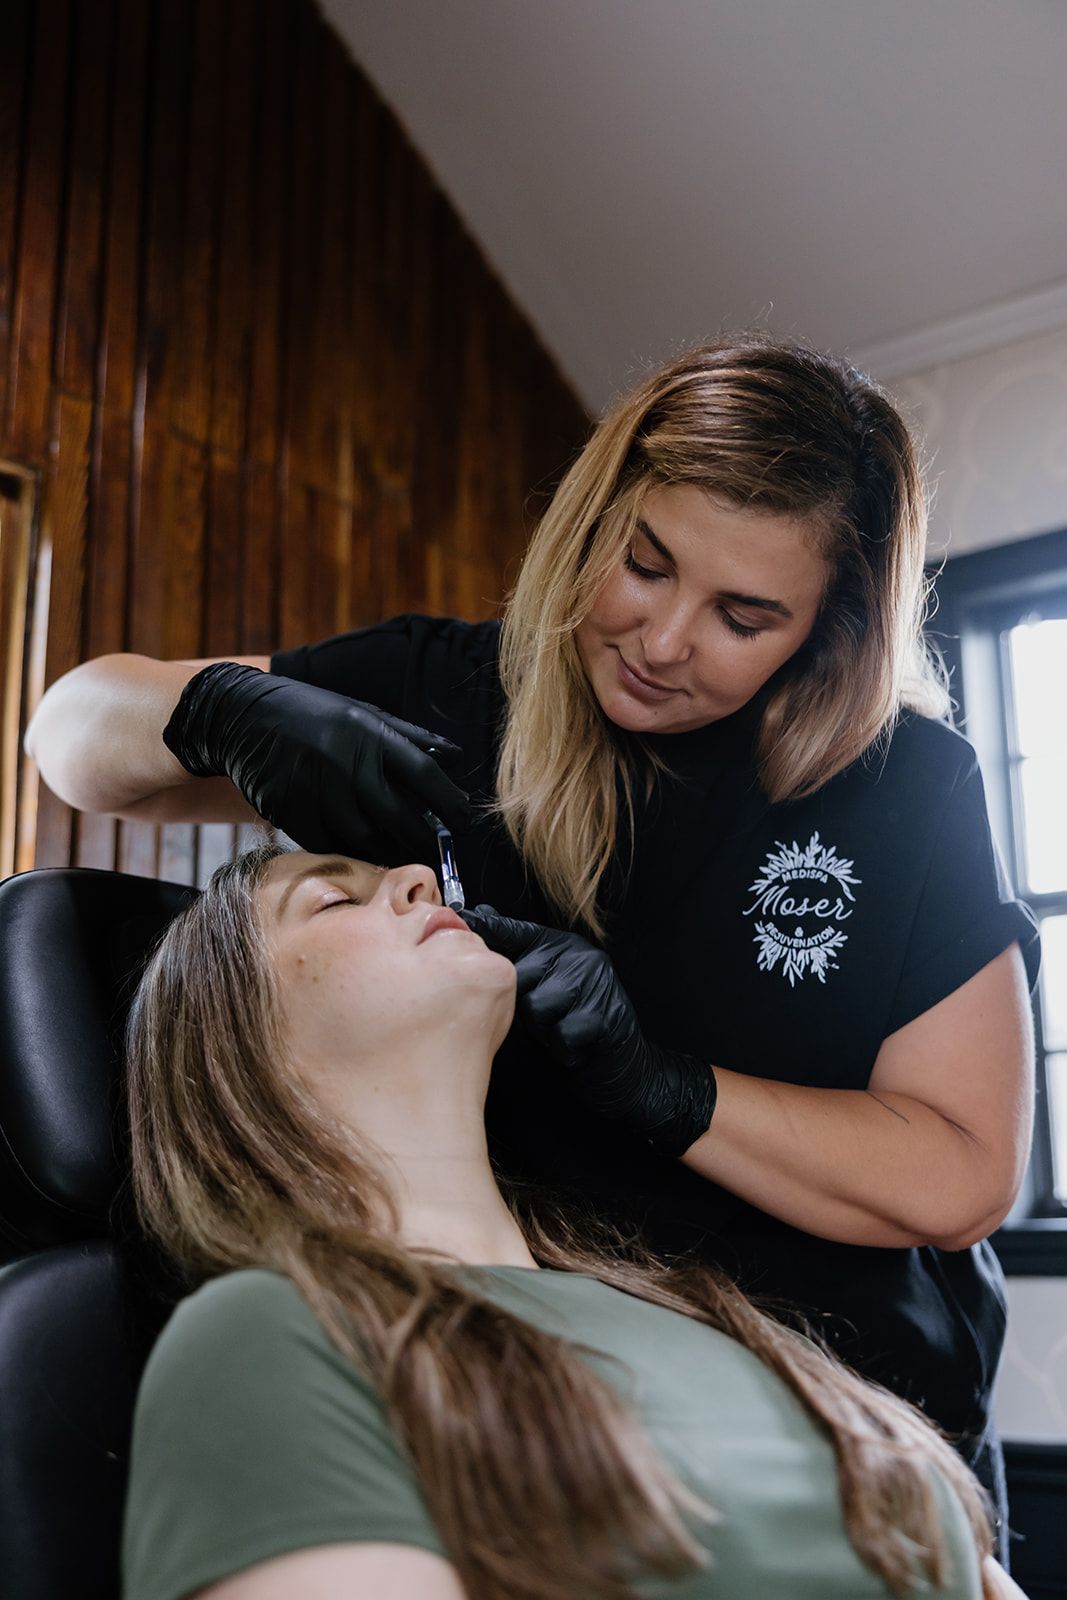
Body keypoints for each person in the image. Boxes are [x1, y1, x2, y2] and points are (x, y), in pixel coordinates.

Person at [27, 332, 1039, 1549]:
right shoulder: (460, 694)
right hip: (582, 1441)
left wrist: (670, 1093)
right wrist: (221, 708)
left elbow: (958, 1173)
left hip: (865, 1442)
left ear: (828, 627)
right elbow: (72, 735)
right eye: (645, 564)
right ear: (595, 512)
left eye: (743, 615)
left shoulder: (898, 787)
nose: (662, 640)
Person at [120, 839, 1025, 1600]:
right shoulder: (270, 1340)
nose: (416, 878)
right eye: (329, 900)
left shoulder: (690, 1307)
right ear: (235, 1037)